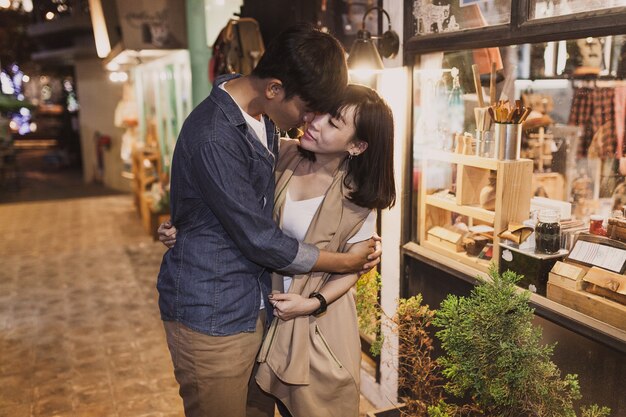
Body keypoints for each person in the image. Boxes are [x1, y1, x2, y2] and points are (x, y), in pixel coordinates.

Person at [156, 24, 380, 417]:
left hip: (255, 308)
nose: (310, 119)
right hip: (214, 312)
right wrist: (345, 262)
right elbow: (260, 239)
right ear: (275, 89)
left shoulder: (266, 124)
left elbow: (239, 201)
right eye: (308, 108)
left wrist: (187, 220)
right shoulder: (216, 135)